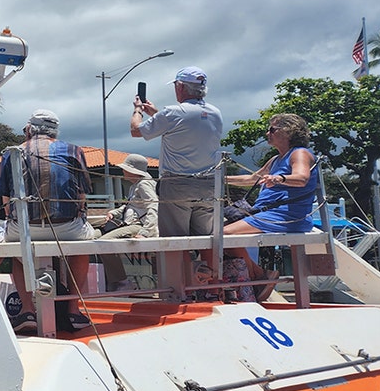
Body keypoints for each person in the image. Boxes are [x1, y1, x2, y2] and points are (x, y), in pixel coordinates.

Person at [0, 110, 94, 333]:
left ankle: (27, 311)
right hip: (67, 228)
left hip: (24, 228)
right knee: (82, 248)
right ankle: (73, 310)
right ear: (55, 131)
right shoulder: (74, 150)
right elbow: (82, 195)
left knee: (17, 252)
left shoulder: (12, 152)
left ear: (29, 129)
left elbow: (6, 200)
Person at [131, 66, 223, 277]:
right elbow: (185, 125)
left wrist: (137, 110)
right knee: (206, 240)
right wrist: (156, 114)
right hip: (209, 184)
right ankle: (210, 285)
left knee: (175, 241)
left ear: (180, 87)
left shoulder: (173, 112)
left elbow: (136, 130)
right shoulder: (215, 113)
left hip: (177, 185)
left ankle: (181, 286)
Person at [224, 113, 318, 300]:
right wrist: (218, 179)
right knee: (211, 230)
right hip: (267, 214)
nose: (268, 133)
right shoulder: (275, 159)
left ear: (288, 131)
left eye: (272, 129)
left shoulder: (299, 153)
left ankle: (257, 275)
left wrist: (279, 178)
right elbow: (252, 179)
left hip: (286, 216)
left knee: (224, 234)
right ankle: (257, 274)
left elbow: (301, 178)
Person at [96, 153, 159, 292]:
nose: (123, 171)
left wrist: (146, 232)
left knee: (103, 242)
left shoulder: (143, 185)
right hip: (129, 224)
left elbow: (154, 205)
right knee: (92, 236)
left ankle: (121, 281)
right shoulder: (135, 185)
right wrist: (114, 213)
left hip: (138, 226)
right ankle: (113, 280)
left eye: (125, 169)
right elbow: (131, 206)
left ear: (132, 171)